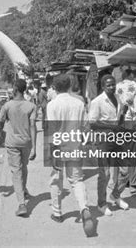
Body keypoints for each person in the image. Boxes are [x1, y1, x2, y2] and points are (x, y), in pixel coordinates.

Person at [46, 74, 94, 237]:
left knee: (56, 180)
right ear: (69, 86)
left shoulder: (52, 105)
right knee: (77, 180)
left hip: (59, 148)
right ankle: (84, 209)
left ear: (55, 87)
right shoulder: (79, 103)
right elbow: (86, 126)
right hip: (75, 146)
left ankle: (57, 213)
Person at [89, 74, 130, 216]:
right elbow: (92, 123)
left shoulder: (119, 98)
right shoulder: (97, 101)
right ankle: (101, 204)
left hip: (117, 140)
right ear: (103, 87)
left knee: (126, 170)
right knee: (105, 174)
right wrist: (112, 126)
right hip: (103, 141)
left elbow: (119, 121)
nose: (112, 87)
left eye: (113, 84)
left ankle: (115, 195)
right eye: (109, 85)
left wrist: (123, 114)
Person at [0, 79, 37, 217]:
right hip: (26, 142)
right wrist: (34, 147)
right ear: (25, 89)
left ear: (15, 89)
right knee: (24, 167)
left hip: (12, 143)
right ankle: (24, 190)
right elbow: (33, 126)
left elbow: (0, 122)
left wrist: (0, 135)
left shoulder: (7, 106)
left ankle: (21, 204)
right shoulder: (31, 106)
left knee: (16, 171)